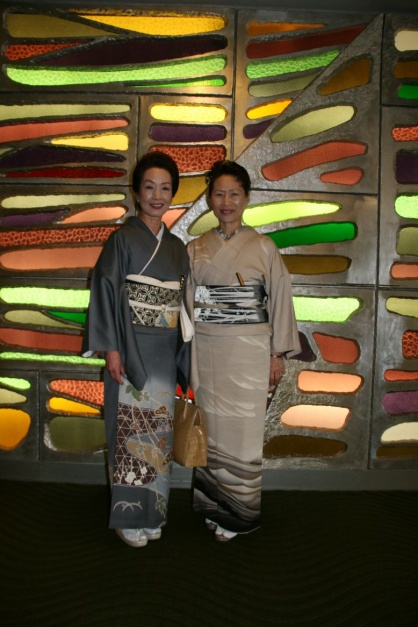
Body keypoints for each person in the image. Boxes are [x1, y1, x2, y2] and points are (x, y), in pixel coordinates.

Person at [187, 160, 300, 542]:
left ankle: (238, 513)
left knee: (242, 434)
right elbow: (187, 304)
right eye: (219, 194)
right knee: (212, 432)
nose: (226, 201)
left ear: (247, 198)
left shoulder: (264, 246)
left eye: (234, 194)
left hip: (249, 352)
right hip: (206, 348)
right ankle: (213, 504)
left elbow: (280, 298)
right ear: (209, 199)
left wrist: (277, 354)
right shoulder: (195, 248)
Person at [83, 151, 191, 548]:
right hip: (128, 348)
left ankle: (153, 511)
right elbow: (105, 291)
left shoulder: (177, 248)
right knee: (128, 429)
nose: (157, 196)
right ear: (136, 192)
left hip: (163, 349)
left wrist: (186, 355)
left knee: (158, 433)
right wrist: (111, 349)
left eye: (165, 188)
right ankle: (128, 516)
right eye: (149, 187)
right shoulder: (121, 240)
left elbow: (185, 304)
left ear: (172, 194)